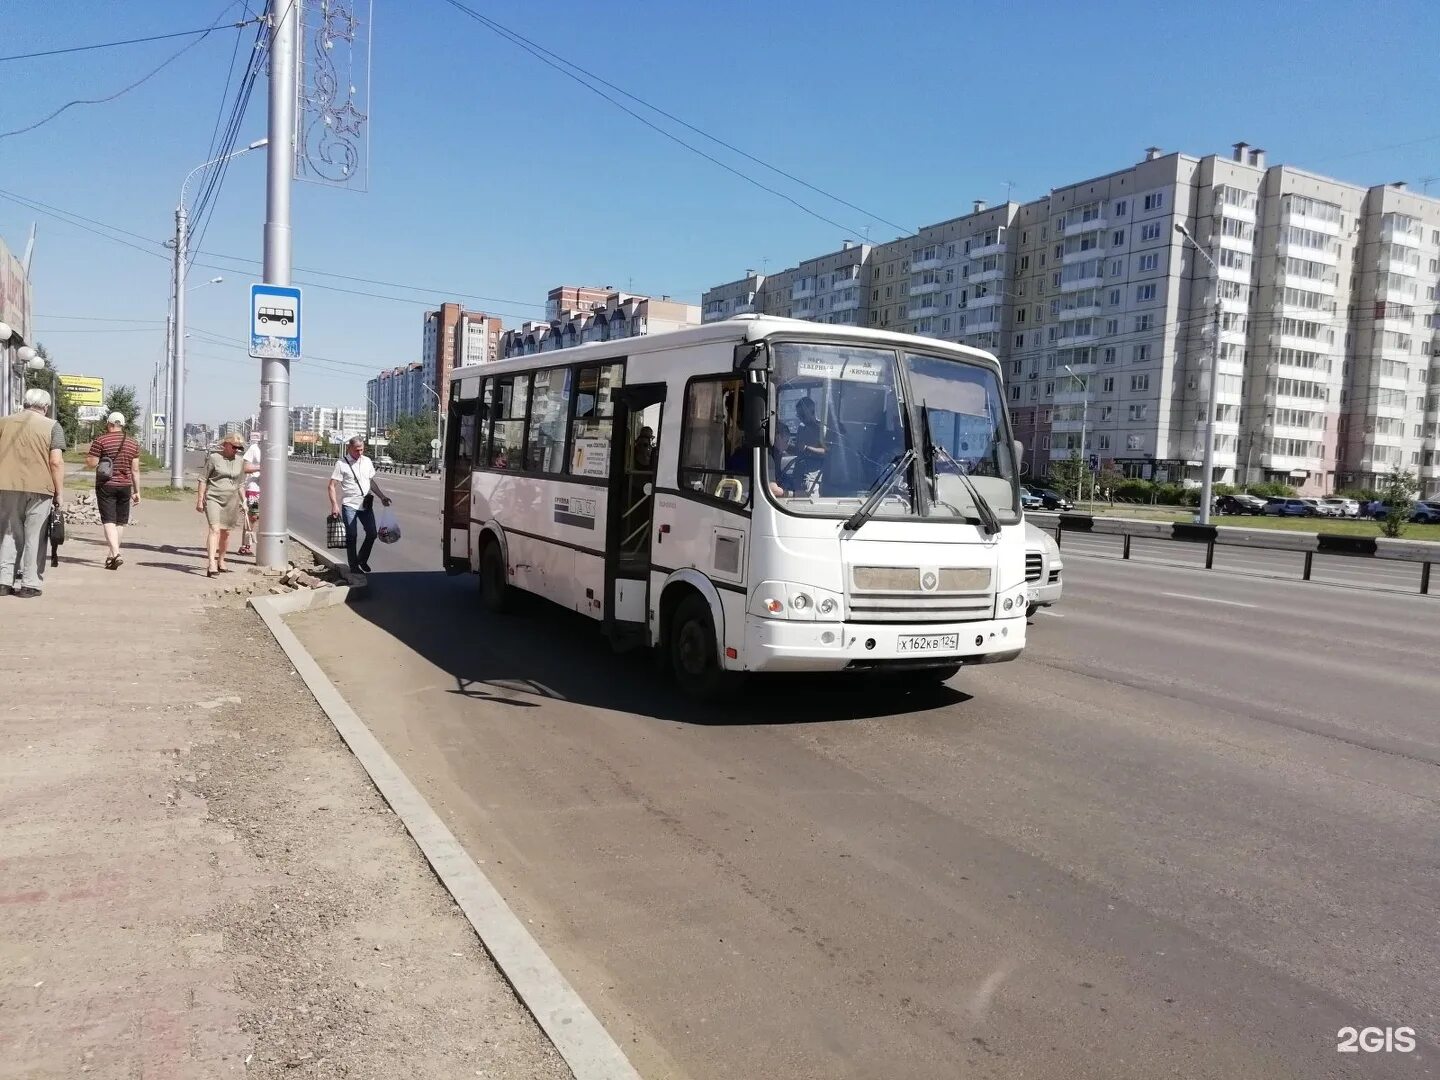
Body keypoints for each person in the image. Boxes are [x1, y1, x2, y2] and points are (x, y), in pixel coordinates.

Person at [0, 388, 65, 598]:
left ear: (25, 403)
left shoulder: (4, 422)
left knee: (9, 533)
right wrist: (59, 493)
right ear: (45, 407)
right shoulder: (52, 426)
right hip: (41, 488)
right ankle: (30, 583)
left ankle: (3, 581)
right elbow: (55, 461)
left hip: (7, 485)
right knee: (35, 536)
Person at [328, 435, 392, 574]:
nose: (360, 453)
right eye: (357, 450)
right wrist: (334, 505)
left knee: (372, 533)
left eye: (362, 449)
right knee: (352, 536)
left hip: (365, 504)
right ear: (349, 448)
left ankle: (362, 559)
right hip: (349, 505)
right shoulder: (341, 464)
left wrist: (382, 496)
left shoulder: (367, 461)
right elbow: (332, 486)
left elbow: (371, 481)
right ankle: (353, 566)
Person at [85, 412, 141, 570]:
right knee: (120, 522)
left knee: (108, 520)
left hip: (106, 485)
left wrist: (90, 458)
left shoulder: (101, 440)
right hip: (125, 485)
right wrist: (137, 491)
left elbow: (92, 462)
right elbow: (135, 469)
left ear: (109, 424)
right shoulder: (133, 443)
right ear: (122, 425)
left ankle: (116, 553)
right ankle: (111, 557)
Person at [197, 433, 258, 577]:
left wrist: (244, 501)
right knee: (215, 529)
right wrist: (200, 499)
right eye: (234, 447)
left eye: (239, 448)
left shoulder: (240, 461)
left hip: (232, 500)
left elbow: (241, 484)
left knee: (226, 532)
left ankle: (221, 560)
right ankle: (211, 562)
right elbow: (203, 479)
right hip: (213, 498)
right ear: (226, 444)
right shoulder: (214, 458)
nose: (236, 450)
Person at [791, 396, 827, 494]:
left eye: (802, 415)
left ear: (812, 411)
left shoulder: (821, 429)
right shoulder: (801, 428)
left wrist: (807, 448)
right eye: (799, 416)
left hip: (813, 479)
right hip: (798, 475)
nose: (801, 419)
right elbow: (798, 449)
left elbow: (826, 452)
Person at [238, 432, 262, 555]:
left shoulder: (273, 449)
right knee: (252, 517)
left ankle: (261, 545)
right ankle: (245, 545)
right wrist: (261, 467)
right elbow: (246, 468)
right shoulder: (254, 448)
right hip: (253, 488)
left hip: (267, 489)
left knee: (260, 518)